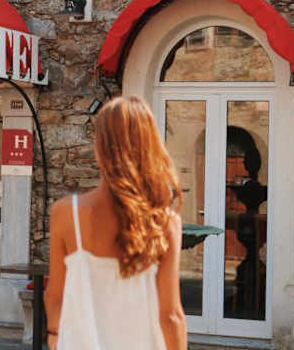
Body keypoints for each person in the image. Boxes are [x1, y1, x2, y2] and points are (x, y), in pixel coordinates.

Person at [44, 96, 187, 350]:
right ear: (150, 148)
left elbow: (55, 296)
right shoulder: (164, 222)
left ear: (100, 148)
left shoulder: (66, 214)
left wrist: (55, 336)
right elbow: (170, 315)